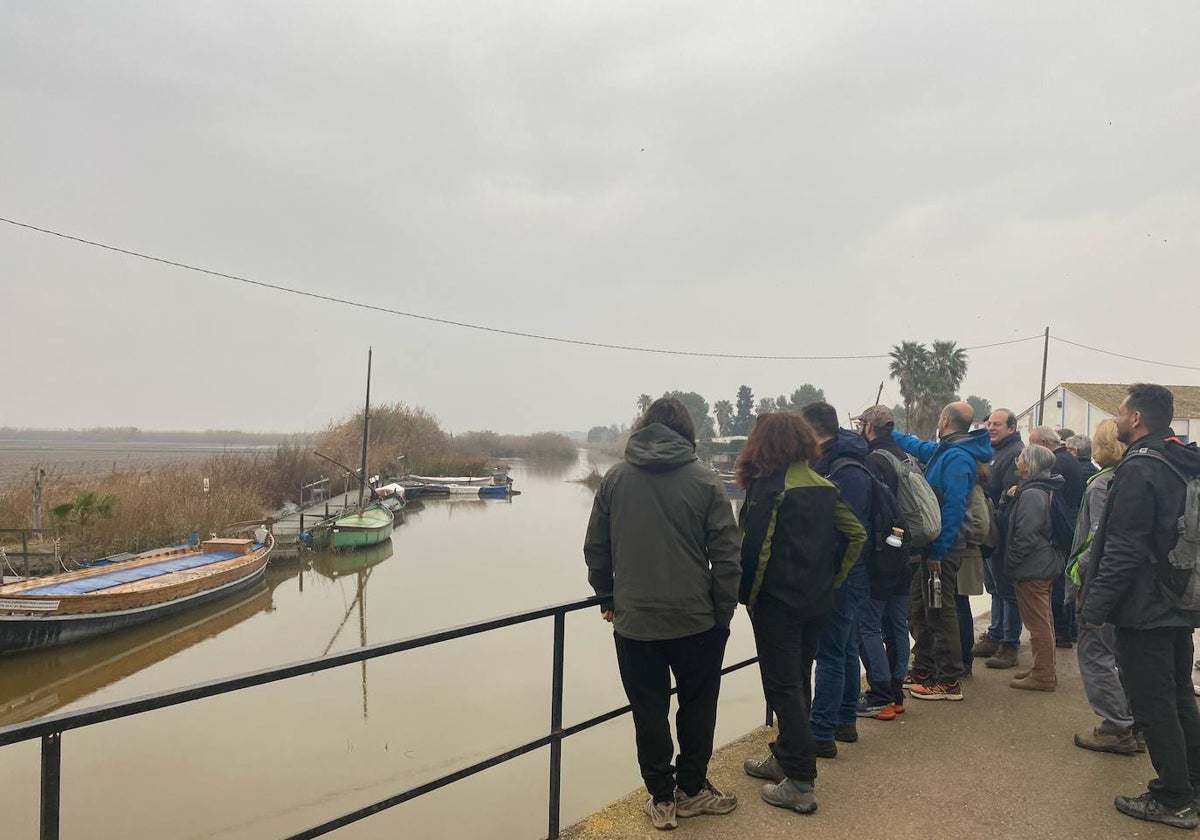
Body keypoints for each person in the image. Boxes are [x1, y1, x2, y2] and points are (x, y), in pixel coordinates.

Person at [583, 397, 741, 831]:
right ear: (687, 433)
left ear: (644, 428)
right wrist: (722, 612)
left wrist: (606, 596)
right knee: (697, 706)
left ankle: (661, 799)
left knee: (647, 710)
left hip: (634, 624)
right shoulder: (707, 482)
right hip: (697, 622)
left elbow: (596, 547)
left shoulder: (615, 479)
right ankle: (691, 790)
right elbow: (727, 558)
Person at [1081, 384, 1200, 829]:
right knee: (1179, 697)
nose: (1116, 416)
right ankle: (1192, 784)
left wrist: (1095, 606)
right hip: (1178, 595)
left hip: (1143, 605)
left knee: (1153, 705)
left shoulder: (1140, 467)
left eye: (1120, 410)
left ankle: (1173, 799)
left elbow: (1123, 547)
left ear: (1136, 419)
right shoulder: (1180, 459)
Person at [736, 412, 867, 815]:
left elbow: (755, 551)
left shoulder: (769, 488)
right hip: (815, 603)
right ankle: (785, 755)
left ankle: (800, 780)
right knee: (797, 679)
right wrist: (832, 580)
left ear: (762, 444)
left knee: (782, 686)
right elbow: (856, 534)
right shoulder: (824, 485)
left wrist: (749, 597)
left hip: (777, 604)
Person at [891, 401, 993, 701]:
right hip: (934, 547)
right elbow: (918, 446)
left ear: (946, 420)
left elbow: (954, 508)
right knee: (920, 608)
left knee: (940, 610)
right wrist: (889, 433)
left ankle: (949, 680)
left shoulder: (958, 458)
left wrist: (937, 552)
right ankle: (924, 668)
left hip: (943, 549)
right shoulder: (946, 450)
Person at [799, 402, 873, 754]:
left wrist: (833, 575)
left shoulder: (845, 471)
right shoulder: (845, 462)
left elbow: (849, 531)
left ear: (812, 430)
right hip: (847, 571)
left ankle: (821, 732)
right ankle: (844, 720)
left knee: (830, 651)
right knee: (843, 648)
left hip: (843, 572)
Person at [1070, 420, 1141, 754]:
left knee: (1095, 654)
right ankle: (1134, 722)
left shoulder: (1102, 485)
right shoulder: (1134, 477)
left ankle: (1116, 725)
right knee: (1120, 655)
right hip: (1128, 585)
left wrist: (1080, 576)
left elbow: (1096, 540)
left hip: (1099, 583)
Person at [853, 405, 912, 720]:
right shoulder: (905, 457)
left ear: (868, 427)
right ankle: (896, 693)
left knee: (868, 626)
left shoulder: (873, 461)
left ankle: (879, 695)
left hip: (882, 552)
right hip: (905, 548)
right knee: (897, 624)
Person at [1003, 444, 1065, 691]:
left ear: (1029, 465)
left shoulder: (1032, 494)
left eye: (1020, 459)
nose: (1017, 462)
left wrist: (1011, 562)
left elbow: (1025, 535)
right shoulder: (1040, 489)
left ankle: (1044, 675)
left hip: (1033, 566)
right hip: (1042, 562)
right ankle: (1041, 668)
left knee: (1038, 623)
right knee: (1043, 619)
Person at [973, 409, 1025, 669]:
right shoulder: (992, 451)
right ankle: (995, 634)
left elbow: (1009, 496)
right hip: (990, 530)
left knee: (1007, 591)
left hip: (1002, 531)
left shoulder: (1014, 453)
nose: (991, 428)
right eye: (989, 423)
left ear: (1012, 428)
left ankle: (1009, 644)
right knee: (994, 588)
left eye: (998, 424)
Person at [1030, 425, 1085, 649]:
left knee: (1058, 583)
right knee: (1065, 580)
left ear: (1043, 444)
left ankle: (1061, 630)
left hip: (1060, 532)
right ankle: (1069, 628)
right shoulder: (1068, 458)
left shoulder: (1056, 462)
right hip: (1071, 526)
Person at [957, 467, 994, 676]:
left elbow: (981, 525)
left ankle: (963, 661)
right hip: (962, 553)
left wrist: (955, 537)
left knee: (959, 608)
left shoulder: (972, 487)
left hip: (965, 555)